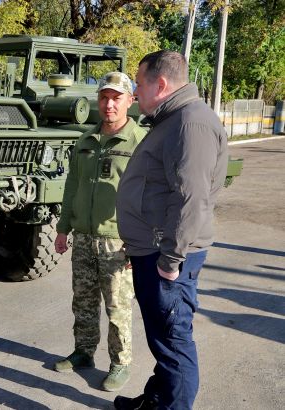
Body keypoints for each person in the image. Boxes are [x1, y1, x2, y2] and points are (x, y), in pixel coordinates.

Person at [114, 50, 228, 410]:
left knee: (174, 344)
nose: (135, 92)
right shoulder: (174, 119)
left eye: (138, 84)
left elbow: (191, 198)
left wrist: (170, 258)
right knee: (164, 338)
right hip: (154, 248)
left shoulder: (189, 122)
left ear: (160, 84)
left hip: (167, 256)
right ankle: (158, 399)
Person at [54, 71, 146, 392]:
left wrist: (142, 242)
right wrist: (64, 228)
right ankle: (83, 352)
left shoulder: (140, 143)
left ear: (130, 102)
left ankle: (120, 363)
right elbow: (72, 188)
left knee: (117, 307)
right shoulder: (85, 141)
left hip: (118, 242)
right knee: (83, 300)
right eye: (104, 98)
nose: (109, 105)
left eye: (116, 98)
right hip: (83, 238)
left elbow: (151, 196)